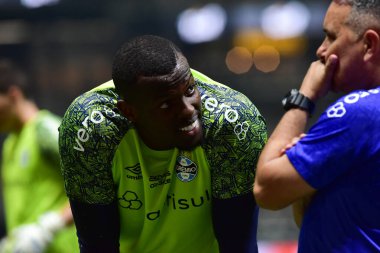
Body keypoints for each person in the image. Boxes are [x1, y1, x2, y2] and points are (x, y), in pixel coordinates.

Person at [58, 34, 267, 253]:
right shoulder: (89, 131)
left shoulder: (232, 125)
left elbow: (238, 244)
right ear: (129, 112)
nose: (188, 110)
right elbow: (97, 245)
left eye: (189, 91)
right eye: (166, 104)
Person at [254, 0, 380, 252]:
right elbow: (309, 217)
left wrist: (303, 98)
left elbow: (266, 189)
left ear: (369, 44)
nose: (321, 50)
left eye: (331, 37)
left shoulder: (361, 112)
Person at [0, 59, 79, 253]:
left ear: (13, 95)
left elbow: (98, 184)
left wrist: (50, 227)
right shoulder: (10, 144)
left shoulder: (45, 130)